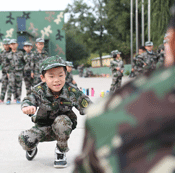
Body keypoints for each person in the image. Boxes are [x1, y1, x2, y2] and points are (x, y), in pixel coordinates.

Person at [73, 9, 175, 173]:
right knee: (115, 87)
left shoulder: (110, 113)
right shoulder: (131, 61)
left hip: (148, 81)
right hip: (135, 78)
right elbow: (136, 68)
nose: (150, 48)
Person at [18, 56, 92, 168]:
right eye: (51, 76)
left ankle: (61, 151)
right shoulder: (39, 90)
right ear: (43, 78)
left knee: (62, 122)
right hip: (44, 127)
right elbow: (29, 99)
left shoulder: (72, 91)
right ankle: (32, 148)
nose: (56, 80)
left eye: (60, 75)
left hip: (63, 127)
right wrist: (27, 107)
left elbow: (89, 106)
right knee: (24, 139)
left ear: (65, 75)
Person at [5, 39, 25, 105]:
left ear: (17, 44)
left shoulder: (21, 53)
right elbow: (6, 64)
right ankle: (8, 99)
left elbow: (24, 62)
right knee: (10, 85)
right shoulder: (8, 54)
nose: (13, 45)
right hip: (11, 72)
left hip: (19, 72)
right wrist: (7, 72)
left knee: (19, 86)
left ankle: (18, 99)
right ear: (10, 45)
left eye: (14, 44)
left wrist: (23, 70)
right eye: (11, 44)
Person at [0, 38, 11, 104]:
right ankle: (1, 99)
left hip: (11, 73)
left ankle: (9, 99)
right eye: (5, 45)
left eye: (7, 44)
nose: (6, 46)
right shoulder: (2, 53)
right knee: (4, 86)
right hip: (4, 72)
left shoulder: (12, 53)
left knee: (11, 86)